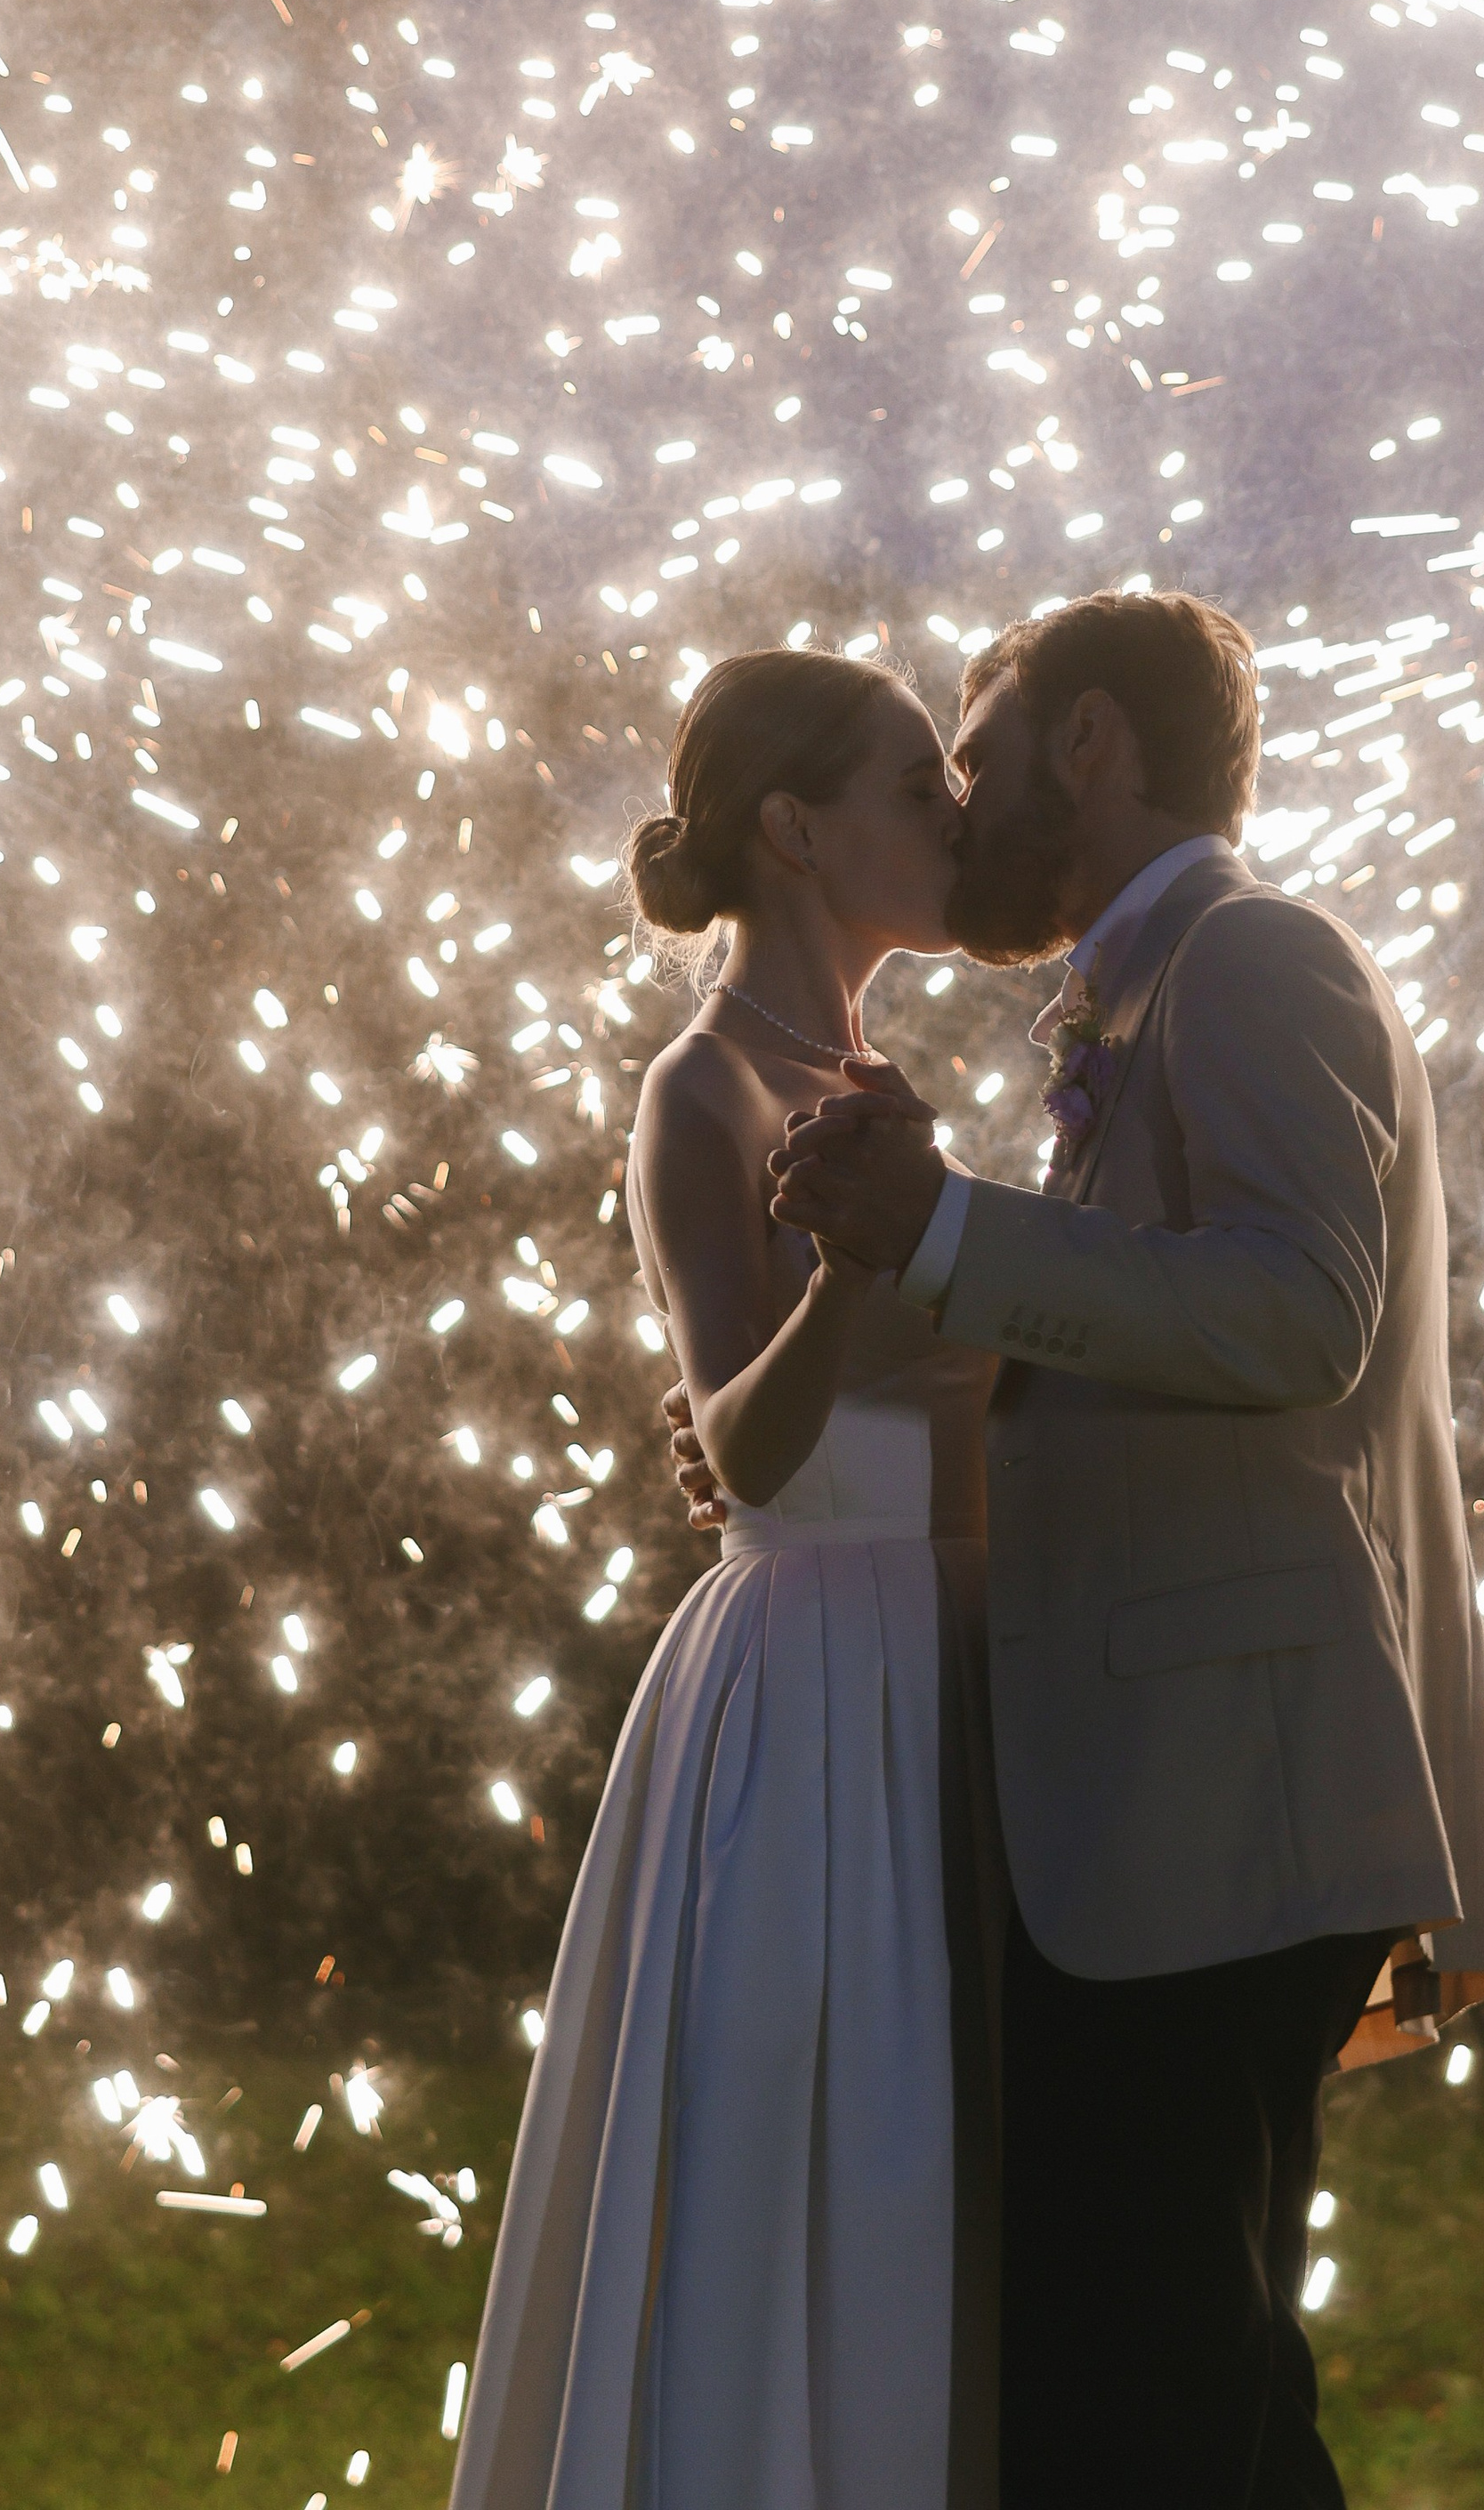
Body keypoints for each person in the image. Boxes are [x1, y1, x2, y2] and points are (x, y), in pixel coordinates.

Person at [743, 589, 1484, 2510]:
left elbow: (1290, 1317)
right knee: (1165, 2396)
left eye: (981, 739)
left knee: (1164, 2409)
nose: (959, 788)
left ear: (1089, 744)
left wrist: (947, 1235)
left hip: (1213, 1809)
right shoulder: (1149, 983)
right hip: (1165, 1809)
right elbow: (1145, 1330)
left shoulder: (1251, 958)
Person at [449, 647, 1004, 2510]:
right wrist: (861, 1273)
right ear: (791, 827)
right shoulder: (702, 1095)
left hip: (947, 1661)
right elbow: (744, 1445)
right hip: (818, 1677)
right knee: (803, 2169)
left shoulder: (866, 1078)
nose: (956, 819)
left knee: (919, 2173)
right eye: (915, 788)